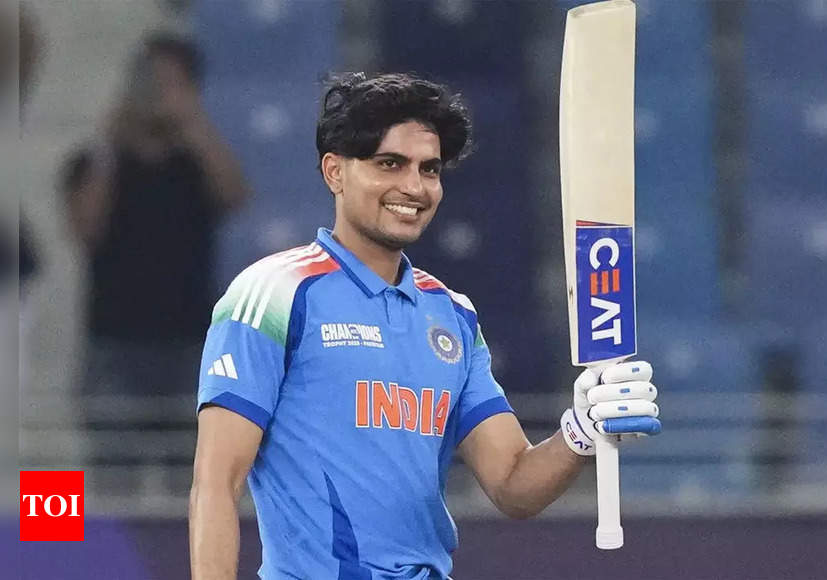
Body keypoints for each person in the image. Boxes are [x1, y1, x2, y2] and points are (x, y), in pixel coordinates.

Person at [188, 72, 662, 580]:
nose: (414, 187)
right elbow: (216, 484)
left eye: (429, 169)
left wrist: (581, 431)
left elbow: (512, 484)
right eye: (389, 163)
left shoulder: (452, 315)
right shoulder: (273, 294)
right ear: (335, 171)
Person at [64, 32, 247, 408]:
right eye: (150, 80)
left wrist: (193, 124)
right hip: (113, 340)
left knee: (196, 446)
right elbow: (85, 228)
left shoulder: (196, 163)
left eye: (171, 83)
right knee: (111, 445)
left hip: (190, 339)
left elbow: (235, 196)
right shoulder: (98, 162)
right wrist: (109, 141)